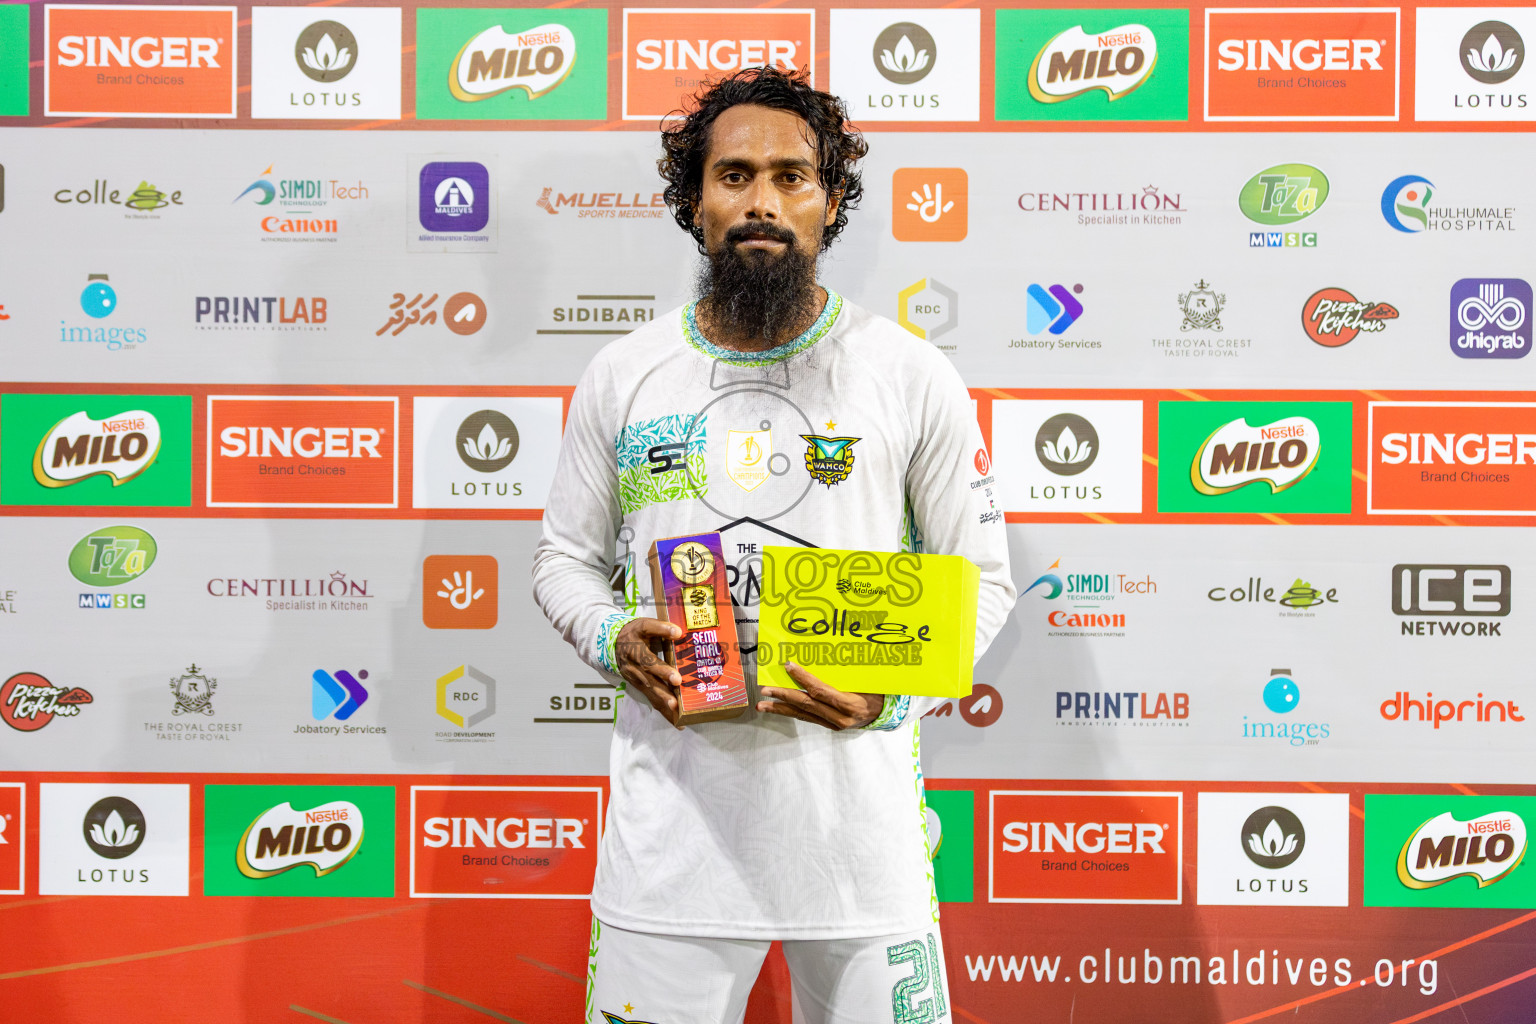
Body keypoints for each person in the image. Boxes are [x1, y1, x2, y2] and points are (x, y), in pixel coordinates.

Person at [532, 66, 1015, 1024]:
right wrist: (609, 637)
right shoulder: (625, 374)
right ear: (693, 199)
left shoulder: (909, 374)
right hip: (671, 846)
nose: (763, 202)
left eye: (792, 176)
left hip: (861, 848)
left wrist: (897, 694)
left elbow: (982, 582)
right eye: (735, 175)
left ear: (832, 201)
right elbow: (563, 561)